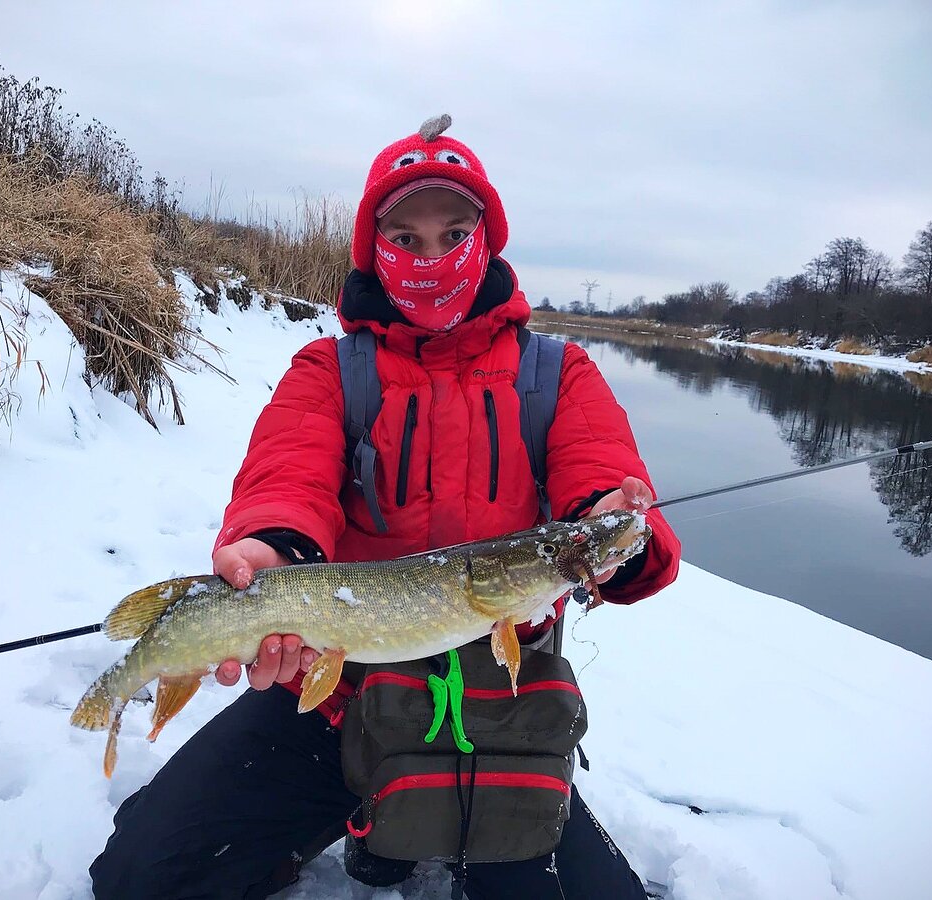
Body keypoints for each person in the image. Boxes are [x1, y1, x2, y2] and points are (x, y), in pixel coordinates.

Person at [90, 115, 680, 899]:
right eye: (404, 237)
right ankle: (361, 818)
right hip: (336, 700)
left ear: (488, 239)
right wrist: (272, 550)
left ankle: (426, 823)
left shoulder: (560, 374)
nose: (430, 257)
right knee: (144, 877)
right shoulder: (331, 371)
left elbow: (611, 491)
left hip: (495, 716)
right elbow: (286, 478)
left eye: (454, 231)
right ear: (375, 250)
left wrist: (619, 531)